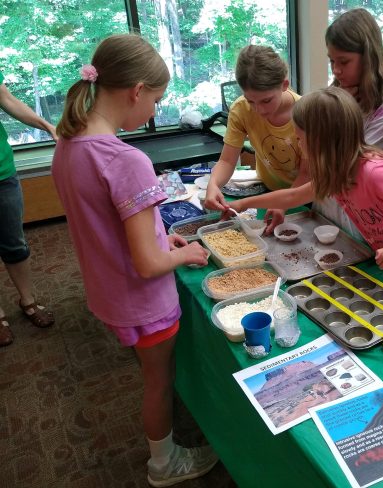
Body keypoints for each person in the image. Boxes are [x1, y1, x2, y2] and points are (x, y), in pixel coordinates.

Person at [51, 34, 218, 487]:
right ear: (136, 91)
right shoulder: (126, 160)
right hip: (143, 300)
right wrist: (189, 255)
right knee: (158, 382)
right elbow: (146, 264)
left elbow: (112, 232)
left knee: (150, 374)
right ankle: (163, 465)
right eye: (157, 99)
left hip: (109, 292)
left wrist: (167, 246)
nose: (154, 112)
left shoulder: (68, 145)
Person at [226, 87, 383, 312]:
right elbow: (294, 195)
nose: (299, 146)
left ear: (322, 140)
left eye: (300, 139)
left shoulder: (375, 172)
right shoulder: (336, 173)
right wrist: (241, 204)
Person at [318, 8, 383, 240]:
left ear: (368, 57)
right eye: (332, 61)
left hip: (356, 213)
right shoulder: (338, 90)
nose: (336, 70)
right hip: (327, 201)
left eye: (344, 61)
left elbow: (350, 161)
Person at [204, 45, 308, 232]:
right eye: (251, 101)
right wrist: (213, 184)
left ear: (284, 85)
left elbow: (307, 173)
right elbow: (227, 160)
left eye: (266, 100)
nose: (259, 110)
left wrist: (283, 203)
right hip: (268, 192)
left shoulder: (305, 113)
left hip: (305, 198)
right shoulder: (241, 109)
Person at [0, 70, 56, 347]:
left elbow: (7, 100)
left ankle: (28, 301)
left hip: (2, 174)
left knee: (15, 245)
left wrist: (47, 126)